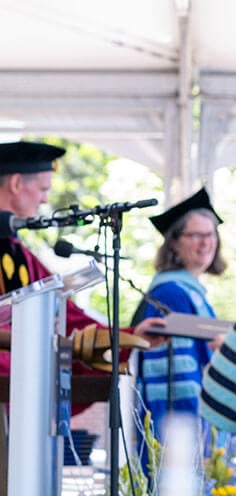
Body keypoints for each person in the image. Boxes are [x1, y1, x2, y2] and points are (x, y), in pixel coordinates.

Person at [0, 140, 165, 489]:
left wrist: (127, 335)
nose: (45, 200)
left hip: (19, 401)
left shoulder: (16, 252)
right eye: (42, 189)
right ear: (16, 184)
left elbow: (67, 315)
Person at [132, 187, 227, 449]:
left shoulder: (191, 293)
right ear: (174, 242)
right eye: (196, 235)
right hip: (179, 429)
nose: (206, 243)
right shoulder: (171, 294)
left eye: (210, 234)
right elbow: (175, 380)